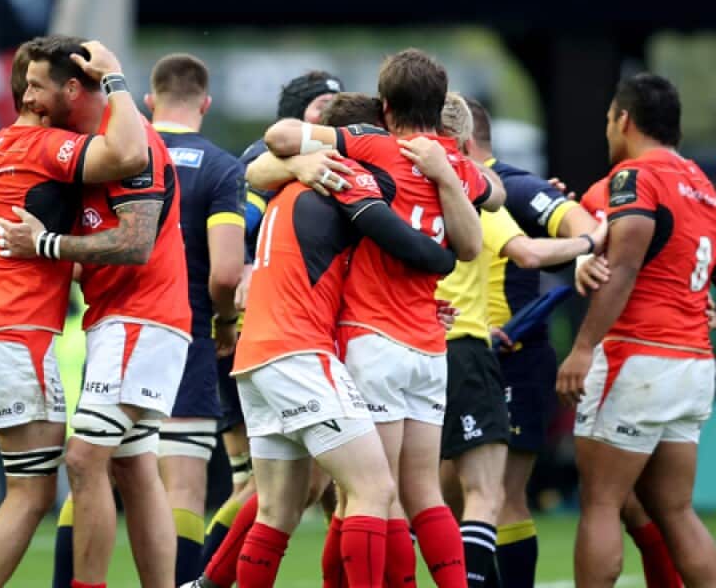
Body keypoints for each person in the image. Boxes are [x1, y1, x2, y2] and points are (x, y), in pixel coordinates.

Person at [251, 49, 503, 588]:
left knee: (369, 496)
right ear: (439, 106)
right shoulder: (455, 166)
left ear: (385, 105)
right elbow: (496, 197)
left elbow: (276, 139)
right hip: (431, 347)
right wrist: (449, 169)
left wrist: (302, 157)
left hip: (374, 339)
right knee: (423, 493)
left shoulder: (373, 147)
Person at [0, 36, 148, 588]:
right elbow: (132, 153)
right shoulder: (48, 146)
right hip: (14, 335)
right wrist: (115, 78)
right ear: (35, 96)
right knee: (32, 491)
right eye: (43, 83)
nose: (43, 90)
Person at [215, 94, 464, 588]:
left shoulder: (291, 183)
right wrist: (445, 254)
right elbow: (417, 247)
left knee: (277, 510)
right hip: (298, 352)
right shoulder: (343, 183)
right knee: (373, 489)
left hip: (257, 356)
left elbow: (257, 172)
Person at [0, 37, 189, 588]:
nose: (25, 97)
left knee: (82, 461)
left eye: (35, 85)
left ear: (73, 88)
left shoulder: (131, 141)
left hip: (142, 318)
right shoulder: (78, 149)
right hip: (117, 318)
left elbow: (136, 242)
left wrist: (47, 245)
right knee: (134, 468)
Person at [433, 95, 605, 588]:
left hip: (510, 360)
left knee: (499, 496)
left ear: (464, 141)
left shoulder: (510, 185)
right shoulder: (436, 185)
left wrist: (582, 250)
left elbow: (581, 225)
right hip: (447, 355)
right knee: (444, 498)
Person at [555, 74, 716, 588]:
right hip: (692, 360)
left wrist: (582, 348)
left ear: (624, 120)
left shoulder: (634, 178)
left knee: (601, 503)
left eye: (608, 120)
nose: (607, 131)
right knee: (676, 511)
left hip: (638, 356)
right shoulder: (701, 184)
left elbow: (623, 265)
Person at [210, 70, 345, 568]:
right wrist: (245, 266)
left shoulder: (323, 159)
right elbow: (242, 227)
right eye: (322, 105)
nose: (331, 115)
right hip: (267, 336)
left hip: (299, 335)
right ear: (296, 114)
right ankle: (207, 574)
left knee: (331, 488)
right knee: (274, 488)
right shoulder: (265, 161)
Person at [143, 54, 244, 583]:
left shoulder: (121, 155)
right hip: (186, 335)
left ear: (149, 100)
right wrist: (225, 322)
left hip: (119, 331)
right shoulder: (222, 167)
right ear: (206, 103)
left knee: (100, 474)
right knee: (182, 486)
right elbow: (226, 273)